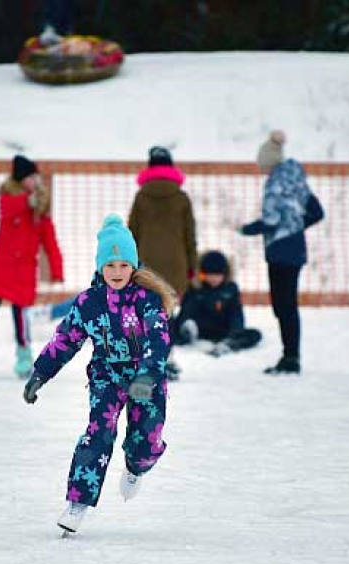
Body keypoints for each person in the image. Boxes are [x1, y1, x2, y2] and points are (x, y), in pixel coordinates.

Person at [22, 214, 177, 535]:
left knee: (145, 442)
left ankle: (136, 467)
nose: (117, 272)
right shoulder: (89, 303)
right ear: (100, 267)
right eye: (110, 265)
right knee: (99, 433)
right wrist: (40, 372)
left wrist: (147, 376)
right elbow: (65, 340)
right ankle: (77, 504)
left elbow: (158, 340)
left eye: (123, 265)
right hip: (107, 376)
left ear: (133, 266)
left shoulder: (146, 301)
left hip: (145, 378)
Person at [0, 155, 64, 379]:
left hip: (24, 271)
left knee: (21, 319)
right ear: (20, 179)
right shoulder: (8, 198)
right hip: (1, 267)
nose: (34, 180)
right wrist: (27, 202)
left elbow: (49, 240)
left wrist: (57, 268)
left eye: (36, 176)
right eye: (30, 177)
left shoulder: (40, 207)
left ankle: (24, 360)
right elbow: (8, 209)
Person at [239, 130, 324, 375]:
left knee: (282, 305)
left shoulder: (275, 183)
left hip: (279, 251)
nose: (262, 170)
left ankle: (290, 358)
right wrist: (295, 227)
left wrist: (246, 229)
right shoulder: (297, 180)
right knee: (289, 305)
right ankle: (292, 355)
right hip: (296, 249)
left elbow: (271, 220)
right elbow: (317, 212)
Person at [127, 145, 197, 380]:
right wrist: (192, 268)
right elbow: (190, 237)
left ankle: (147, 359)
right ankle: (167, 358)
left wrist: (128, 265)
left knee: (147, 313)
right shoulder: (181, 198)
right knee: (169, 313)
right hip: (176, 264)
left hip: (147, 265)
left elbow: (131, 235)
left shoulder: (141, 197)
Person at [175, 250, 262, 356]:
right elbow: (186, 312)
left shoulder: (230, 289)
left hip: (222, 331)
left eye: (217, 275)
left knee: (255, 334)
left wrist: (235, 331)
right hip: (197, 329)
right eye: (209, 275)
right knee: (169, 324)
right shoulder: (196, 289)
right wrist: (186, 324)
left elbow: (236, 314)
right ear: (202, 274)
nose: (213, 278)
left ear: (225, 275)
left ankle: (229, 344)